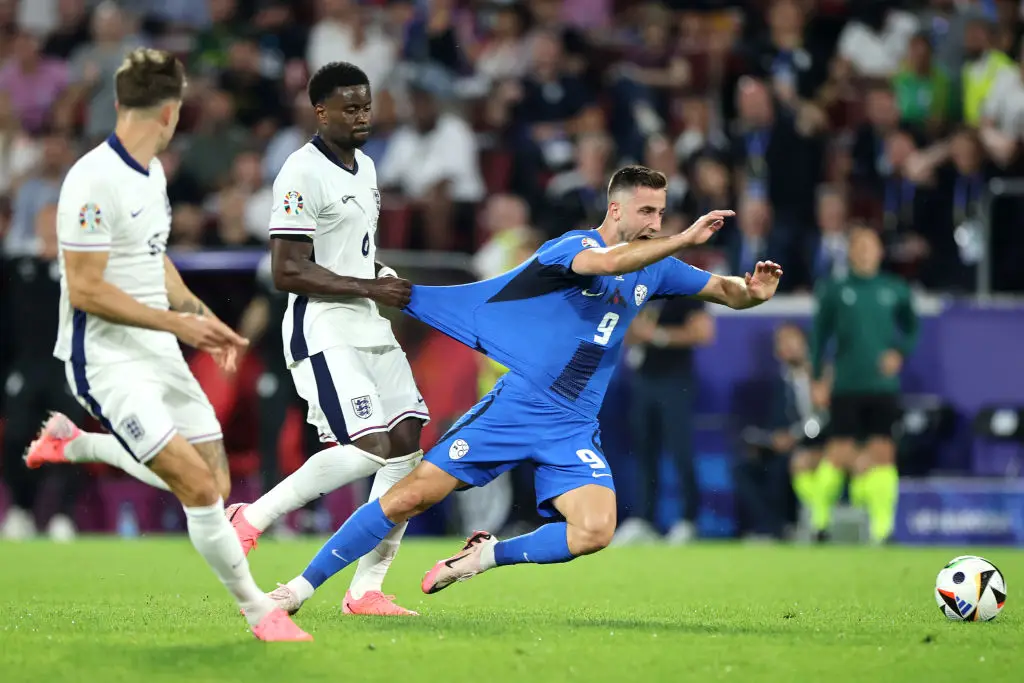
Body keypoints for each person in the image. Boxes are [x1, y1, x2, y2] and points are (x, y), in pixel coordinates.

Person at [262, 165, 784, 614]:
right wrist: (685, 239)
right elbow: (607, 264)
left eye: (661, 213)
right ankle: (299, 589)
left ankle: (485, 555)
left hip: (572, 425)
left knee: (595, 531)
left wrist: (754, 293)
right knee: (409, 497)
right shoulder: (575, 246)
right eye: (646, 211)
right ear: (615, 210)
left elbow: (727, 292)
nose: (655, 223)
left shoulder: (657, 267)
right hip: (517, 408)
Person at [22, 48, 310, 642]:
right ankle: (260, 611)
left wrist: (200, 313)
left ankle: (78, 444)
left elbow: (153, 258)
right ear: (171, 112)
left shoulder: (152, 173)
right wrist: (178, 326)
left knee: (216, 483)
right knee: (199, 491)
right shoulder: (91, 180)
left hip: (157, 347)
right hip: (106, 360)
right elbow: (85, 289)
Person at [225, 62, 428, 617]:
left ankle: (365, 590)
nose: (362, 117)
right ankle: (252, 516)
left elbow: (352, 253)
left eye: (367, 107)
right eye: (350, 108)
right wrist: (369, 285)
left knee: (407, 448)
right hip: (323, 325)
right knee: (367, 448)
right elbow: (287, 269)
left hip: (367, 320)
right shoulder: (300, 172)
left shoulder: (367, 168)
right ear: (321, 112)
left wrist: (379, 274)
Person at [810, 226, 919, 544]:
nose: (864, 252)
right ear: (850, 252)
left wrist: (899, 352)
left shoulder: (894, 288)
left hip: (882, 386)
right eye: (858, 246)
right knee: (839, 451)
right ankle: (820, 522)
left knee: (883, 451)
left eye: (869, 246)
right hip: (846, 383)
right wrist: (817, 378)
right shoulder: (835, 289)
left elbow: (913, 327)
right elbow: (818, 335)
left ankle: (882, 530)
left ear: (880, 252)